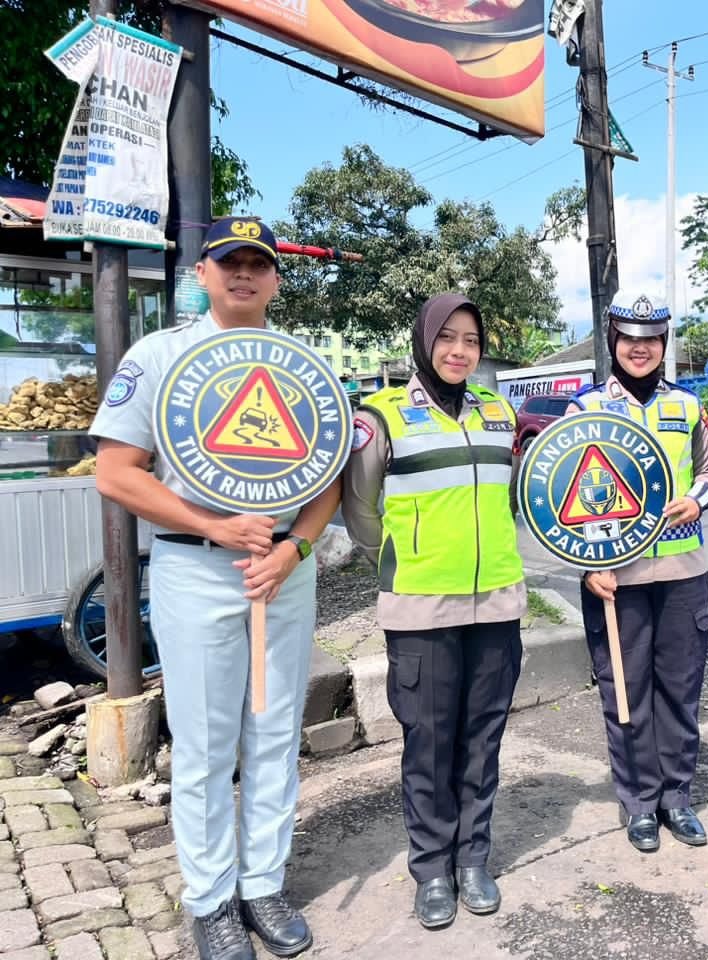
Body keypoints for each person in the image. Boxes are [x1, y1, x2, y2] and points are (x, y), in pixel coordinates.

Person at [93, 219, 335, 960]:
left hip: (281, 576)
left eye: (258, 265)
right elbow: (115, 472)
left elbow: (325, 481)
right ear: (202, 273)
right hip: (197, 571)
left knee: (273, 735)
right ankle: (210, 901)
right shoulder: (159, 355)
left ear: (276, 279)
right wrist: (218, 526)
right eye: (230, 263)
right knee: (202, 747)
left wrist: (293, 548)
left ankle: (262, 883)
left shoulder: (301, 365)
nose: (244, 276)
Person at [342, 293, 525, 930]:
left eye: (470, 340)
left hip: (498, 600)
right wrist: (397, 560)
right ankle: (431, 869)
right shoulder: (382, 415)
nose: (459, 351)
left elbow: (520, 495)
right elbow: (361, 509)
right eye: (446, 337)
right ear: (424, 342)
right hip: (420, 607)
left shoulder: (499, 413)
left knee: (483, 740)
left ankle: (473, 859)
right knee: (429, 742)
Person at [574, 291, 708, 852]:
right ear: (614, 341)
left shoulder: (687, 406)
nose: (641, 349)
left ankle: (677, 798)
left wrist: (698, 500)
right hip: (616, 575)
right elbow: (561, 497)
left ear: (664, 344)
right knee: (626, 693)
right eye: (630, 339)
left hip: (684, 570)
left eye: (652, 339)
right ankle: (638, 802)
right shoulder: (584, 410)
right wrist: (587, 567)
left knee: (680, 691)